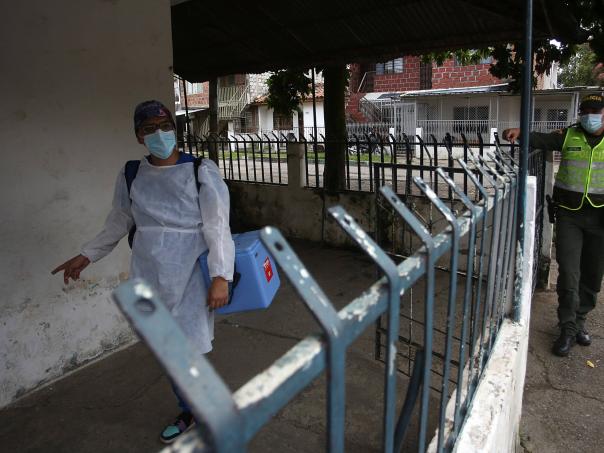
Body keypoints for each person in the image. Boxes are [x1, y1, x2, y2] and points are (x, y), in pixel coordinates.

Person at [51, 100, 235, 443]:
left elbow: (217, 225)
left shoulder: (200, 170)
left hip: (190, 275)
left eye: (165, 126)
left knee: (189, 350)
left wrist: (221, 276)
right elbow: (120, 219)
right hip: (149, 273)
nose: (159, 134)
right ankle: (191, 410)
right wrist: (87, 255)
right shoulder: (132, 173)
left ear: (174, 130)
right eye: (149, 129)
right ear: (139, 136)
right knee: (166, 350)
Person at [502, 93, 604, 357]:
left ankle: (579, 321)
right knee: (569, 274)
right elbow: (543, 139)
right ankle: (567, 328)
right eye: (585, 111)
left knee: (592, 276)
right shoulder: (569, 135)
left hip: (600, 220)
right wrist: (520, 133)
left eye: (595, 111)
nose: (589, 116)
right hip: (570, 215)